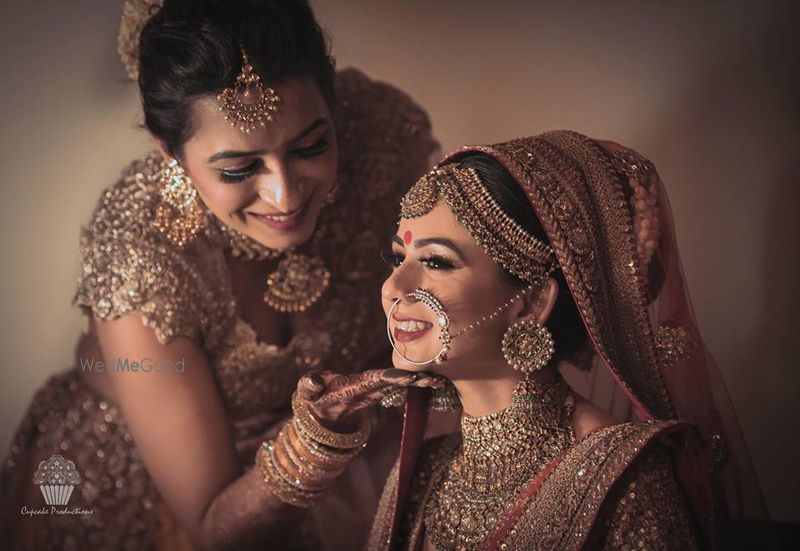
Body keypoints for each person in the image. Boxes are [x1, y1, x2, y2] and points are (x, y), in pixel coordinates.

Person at [0, 0, 440, 549]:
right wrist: (317, 439)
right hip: (147, 495)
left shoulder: (384, 142)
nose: (284, 194)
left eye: (310, 147)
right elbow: (211, 528)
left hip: (355, 452)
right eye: (238, 169)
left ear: (336, 109)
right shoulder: (142, 258)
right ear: (171, 153)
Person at [367, 130, 763, 549]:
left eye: (435, 261)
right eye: (398, 258)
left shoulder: (623, 482)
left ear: (532, 302)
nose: (395, 287)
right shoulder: (423, 471)